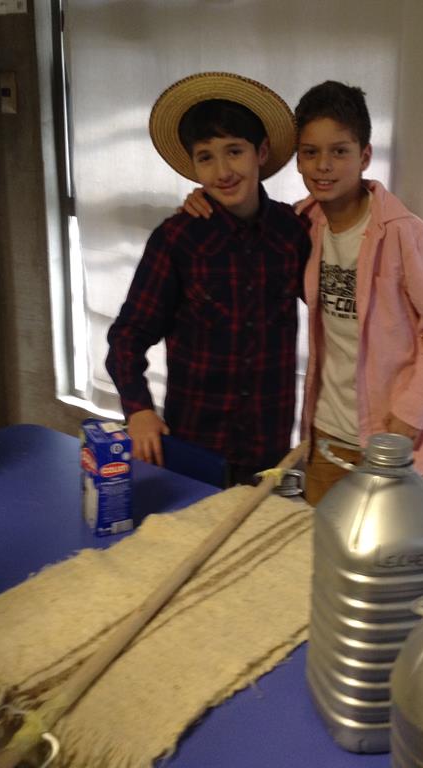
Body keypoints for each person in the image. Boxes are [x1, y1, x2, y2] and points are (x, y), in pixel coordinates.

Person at [184, 81, 423, 503]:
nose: (323, 166)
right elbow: (247, 226)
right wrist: (205, 200)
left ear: (364, 156)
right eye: (310, 152)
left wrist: (409, 414)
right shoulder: (301, 225)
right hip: (324, 436)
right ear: (297, 159)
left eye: (339, 151)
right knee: (320, 541)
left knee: (393, 544)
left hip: (390, 438)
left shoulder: (404, 235)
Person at [106, 72, 311, 485]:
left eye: (234, 151)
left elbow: (336, 310)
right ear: (194, 167)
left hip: (270, 446)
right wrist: (139, 409)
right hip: (195, 446)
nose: (222, 171)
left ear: (261, 152)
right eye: (206, 157)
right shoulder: (177, 240)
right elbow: (128, 336)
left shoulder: (293, 231)